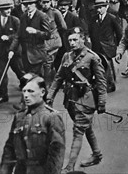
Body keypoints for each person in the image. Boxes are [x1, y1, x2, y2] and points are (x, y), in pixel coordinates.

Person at [48, 27, 107, 172]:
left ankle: (69, 167)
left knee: (78, 130)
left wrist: (102, 102)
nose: (72, 43)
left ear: (83, 39)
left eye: (75, 39)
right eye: (70, 40)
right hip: (70, 99)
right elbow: (58, 77)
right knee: (86, 127)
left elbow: (101, 81)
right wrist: (49, 96)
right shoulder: (67, 57)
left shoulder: (92, 57)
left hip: (86, 99)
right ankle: (97, 154)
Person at [0, 74, 66, 174]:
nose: (26, 95)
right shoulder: (19, 117)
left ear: (42, 92)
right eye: (24, 91)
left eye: (31, 91)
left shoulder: (51, 117)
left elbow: (56, 155)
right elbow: (9, 150)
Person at [10, 0, 52, 77]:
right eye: (26, 4)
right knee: (30, 78)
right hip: (25, 55)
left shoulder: (42, 16)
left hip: (38, 55)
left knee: (35, 79)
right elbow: (18, 35)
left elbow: (48, 35)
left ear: (35, 4)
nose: (28, 6)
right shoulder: (23, 17)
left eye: (30, 4)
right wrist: (11, 50)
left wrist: (36, 32)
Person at [89, 0, 122, 93]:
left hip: (108, 46)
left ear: (106, 7)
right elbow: (91, 31)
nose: (99, 10)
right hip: (96, 46)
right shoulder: (93, 18)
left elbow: (119, 33)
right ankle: (99, 84)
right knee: (97, 65)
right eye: (97, 8)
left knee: (108, 65)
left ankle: (110, 85)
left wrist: (118, 45)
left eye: (101, 8)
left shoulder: (112, 18)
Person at [0, 0, 21, 104]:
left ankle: (28, 91)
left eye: (9, 8)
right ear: (0, 11)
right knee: (1, 73)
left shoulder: (15, 21)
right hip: (1, 52)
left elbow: (19, 35)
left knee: (20, 72)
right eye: (5, 9)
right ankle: (3, 95)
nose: (8, 10)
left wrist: (9, 37)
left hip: (14, 52)